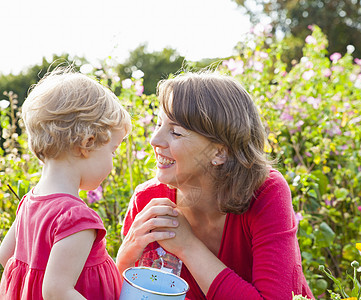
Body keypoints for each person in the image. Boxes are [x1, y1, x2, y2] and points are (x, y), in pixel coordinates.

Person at [116, 72, 314, 299]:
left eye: (176, 132)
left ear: (219, 152)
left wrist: (188, 246)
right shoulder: (148, 200)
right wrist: (124, 258)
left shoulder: (264, 191)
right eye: (159, 123)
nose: (154, 140)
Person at [0, 68, 132, 299]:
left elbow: (5, 257)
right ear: (87, 144)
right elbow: (56, 291)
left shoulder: (29, 203)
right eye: (113, 151)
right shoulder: (76, 218)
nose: (113, 160)